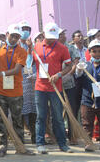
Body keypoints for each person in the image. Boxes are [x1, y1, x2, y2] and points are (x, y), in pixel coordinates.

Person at [0, 24, 32, 157]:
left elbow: (17, 70)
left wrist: (0, 74)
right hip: (0, 90)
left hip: (16, 91)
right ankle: (2, 147)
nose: (14, 39)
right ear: (7, 34)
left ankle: (20, 146)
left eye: (17, 37)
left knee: (17, 120)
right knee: (1, 119)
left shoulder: (21, 51)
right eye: (12, 36)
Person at [31, 22, 73, 154]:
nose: (52, 39)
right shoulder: (36, 47)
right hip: (40, 87)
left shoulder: (62, 48)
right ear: (43, 35)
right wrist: (28, 48)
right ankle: (40, 143)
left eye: (54, 37)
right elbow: (29, 63)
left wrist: (59, 74)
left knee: (58, 117)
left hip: (56, 87)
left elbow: (69, 66)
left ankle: (62, 144)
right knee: (41, 116)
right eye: (49, 37)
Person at [58, 28, 81, 145]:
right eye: (60, 34)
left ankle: (73, 136)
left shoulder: (70, 47)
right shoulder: (53, 48)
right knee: (57, 111)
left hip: (69, 83)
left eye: (63, 34)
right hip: (56, 83)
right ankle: (59, 137)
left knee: (71, 110)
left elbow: (75, 61)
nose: (63, 36)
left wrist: (70, 73)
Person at [18, 21, 37, 144]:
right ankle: (20, 137)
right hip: (20, 80)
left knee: (33, 109)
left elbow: (37, 60)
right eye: (23, 29)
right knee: (20, 108)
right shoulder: (17, 46)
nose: (26, 31)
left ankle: (35, 135)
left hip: (33, 80)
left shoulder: (34, 45)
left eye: (28, 29)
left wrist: (31, 48)